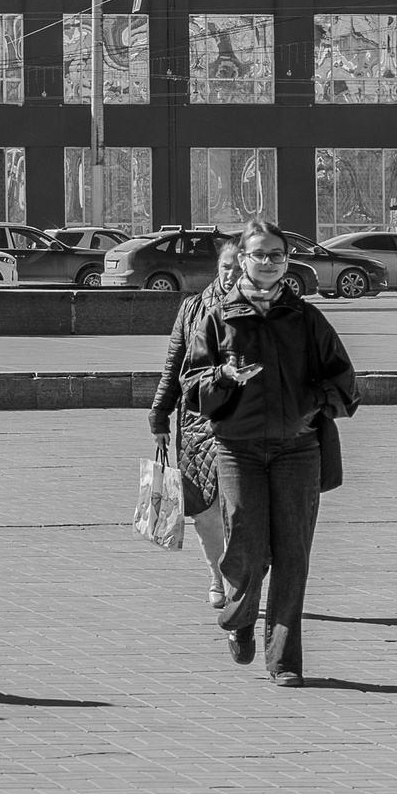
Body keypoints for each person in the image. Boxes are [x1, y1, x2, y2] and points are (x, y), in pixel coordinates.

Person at [179, 218, 358, 686]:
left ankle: (285, 661)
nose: (268, 262)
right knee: (247, 548)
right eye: (259, 254)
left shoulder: (306, 318)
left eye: (277, 255)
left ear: (286, 261)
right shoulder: (217, 317)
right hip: (237, 449)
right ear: (242, 258)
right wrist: (222, 378)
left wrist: (312, 403)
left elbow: (345, 383)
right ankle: (239, 619)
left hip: (297, 450)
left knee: (292, 555)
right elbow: (191, 386)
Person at [150, 238, 239, 606]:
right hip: (196, 425)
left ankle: (240, 578)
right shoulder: (193, 308)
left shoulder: (263, 311)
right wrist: (159, 415)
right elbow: (175, 367)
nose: (232, 273)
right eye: (226, 266)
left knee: (238, 507)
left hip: (241, 423)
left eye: (238, 266)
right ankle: (217, 575)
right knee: (204, 509)